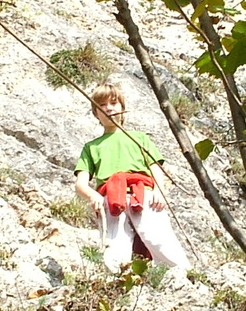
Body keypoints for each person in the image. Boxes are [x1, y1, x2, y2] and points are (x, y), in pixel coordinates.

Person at [74, 81, 188, 272]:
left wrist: (160, 191)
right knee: (114, 242)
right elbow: (80, 184)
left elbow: (154, 167)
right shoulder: (91, 147)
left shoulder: (139, 138)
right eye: (101, 105)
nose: (108, 108)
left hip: (143, 194)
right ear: (95, 113)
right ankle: (116, 281)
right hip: (110, 199)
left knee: (157, 236)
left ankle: (182, 273)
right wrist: (93, 196)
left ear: (122, 108)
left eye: (113, 103)